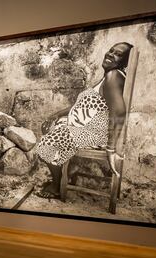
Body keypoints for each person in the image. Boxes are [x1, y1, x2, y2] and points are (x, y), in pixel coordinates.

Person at [35, 42, 133, 199]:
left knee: (46, 145)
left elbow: (119, 113)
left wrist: (111, 148)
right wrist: (55, 115)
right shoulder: (108, 78)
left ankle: (56, 185)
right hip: (85, 130)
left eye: (118, 54)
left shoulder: (113, 76)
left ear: (125, 62)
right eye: (111, 50)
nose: (110, 54)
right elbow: (80, 105)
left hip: (94, 135)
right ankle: (60, 175)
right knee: (49, 130)